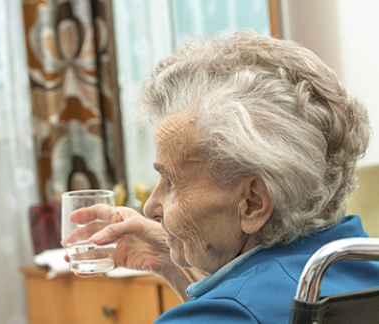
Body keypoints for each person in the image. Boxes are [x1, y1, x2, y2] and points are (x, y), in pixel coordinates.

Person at [69, 30, 379, 323]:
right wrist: (171, 261)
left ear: (253, 203)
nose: (150, 207)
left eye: (173, 182)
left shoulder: (233, 313)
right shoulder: (361, 267)